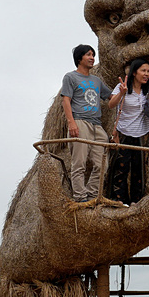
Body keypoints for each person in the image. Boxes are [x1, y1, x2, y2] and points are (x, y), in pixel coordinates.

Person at [60, 44, 114, 202]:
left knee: (102, 164)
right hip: (80, 121)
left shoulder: (96, 81)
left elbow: (112, 98)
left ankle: (91, 195)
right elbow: (66, 101)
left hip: (97, 125)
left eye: (93, 55)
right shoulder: (70, 77)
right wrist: (71, 123)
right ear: (79, 58)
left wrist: (123, 92)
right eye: (88, 55)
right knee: (79, 163)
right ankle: (80, 197)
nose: (92, 58)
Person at [107, 58, 149, 205]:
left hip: (141, 134)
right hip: (124, 132)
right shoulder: (122, 86)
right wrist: (122, 93)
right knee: (121, 168)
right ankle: (118, 200)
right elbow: (111, 104)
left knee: (139, 170)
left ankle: (137, 201)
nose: (146, 74)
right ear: (134, 72)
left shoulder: (148, 87)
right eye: (143, 71)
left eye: (148, 71)